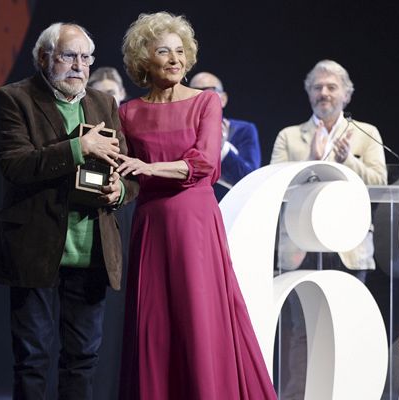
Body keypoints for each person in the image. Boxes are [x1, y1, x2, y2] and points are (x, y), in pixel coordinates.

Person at [114, 12, 277, 400]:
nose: (174, 58)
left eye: (180, 51)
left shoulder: (205, 102)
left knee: (201, 319)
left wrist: (148, 167)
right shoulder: (128, 112)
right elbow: (126, 174)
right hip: (151, 225)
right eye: (163, 51)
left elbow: (205, 163)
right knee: (155, 325)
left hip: (195, 222)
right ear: (143, 60)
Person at [0, 22, 138, 399]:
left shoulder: (104, 103)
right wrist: (79, 148)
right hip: (35, 248)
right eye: (69, 56)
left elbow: (127, 169)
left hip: (91, 250)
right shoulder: (14, 99)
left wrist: (120, 190)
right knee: (32, 357)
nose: (79, 66)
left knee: (83, 358)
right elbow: (16, 165)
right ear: (45, 58)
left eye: (86, 57)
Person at [269, 59, 387, 400]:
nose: (324, 93)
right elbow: (274, 185)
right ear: (308, 93)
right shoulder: (290, 136)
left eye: (331, 87)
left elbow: (380, 182)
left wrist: (348, 160)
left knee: (345, 328)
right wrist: (311, 159)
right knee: (300, 331)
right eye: (317, 87)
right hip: (300, 248)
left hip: (348, 247)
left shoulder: (366, 134)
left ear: (346, 95)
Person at [189, 71, 261, 200]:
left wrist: (222, 148)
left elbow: (251, 180)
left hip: (230, 207)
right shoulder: (183, 133)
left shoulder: (243, 130)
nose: (199, 98)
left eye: (208, 92)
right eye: (193, 92)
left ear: (223, 99)